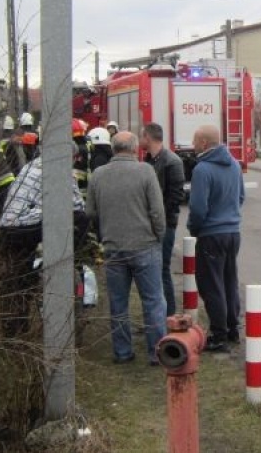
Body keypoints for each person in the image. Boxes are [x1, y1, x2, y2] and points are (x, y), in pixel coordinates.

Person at [87, 131, 167, 365]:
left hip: (113, 246)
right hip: (145, 245)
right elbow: (157, 211)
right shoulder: (145, 171)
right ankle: (156, 352)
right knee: (152, 301)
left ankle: (122, 352)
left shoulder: (99, 175)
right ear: (134, 149)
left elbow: (90, 212)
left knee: (118, 303)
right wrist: (158, 235)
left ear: (113, 149)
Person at [0, 154, 89, 337]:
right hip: (26, 225)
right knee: (80, 218)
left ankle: (14, 332)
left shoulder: (32, 165)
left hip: (8, 227)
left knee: (17, 279)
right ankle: (75, 260)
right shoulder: (61, 168)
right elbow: (77, 205)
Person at [187, 125, 245, 352]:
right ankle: (232, 328)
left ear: (203, 143)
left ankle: (218, 335)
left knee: (211, 285)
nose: (192, 145)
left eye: (194, 141)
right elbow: (241, 196)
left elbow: (198, 208)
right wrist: (229, 216)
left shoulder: (202, 169)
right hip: (233, 233)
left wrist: (195, 228)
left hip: (211, 234)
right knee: (230, 281)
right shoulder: (233, 163)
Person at [140, 122, 186, 317]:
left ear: (148, 138)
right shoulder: (150, 161)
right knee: (154, 270)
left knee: (162, 269)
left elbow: (175, 197)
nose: (140, 140)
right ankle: (158, 315)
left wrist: (158, 219)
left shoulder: (171, 162)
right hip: (152, 225)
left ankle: (169, 315)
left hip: (165, 225)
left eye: (142, 137)